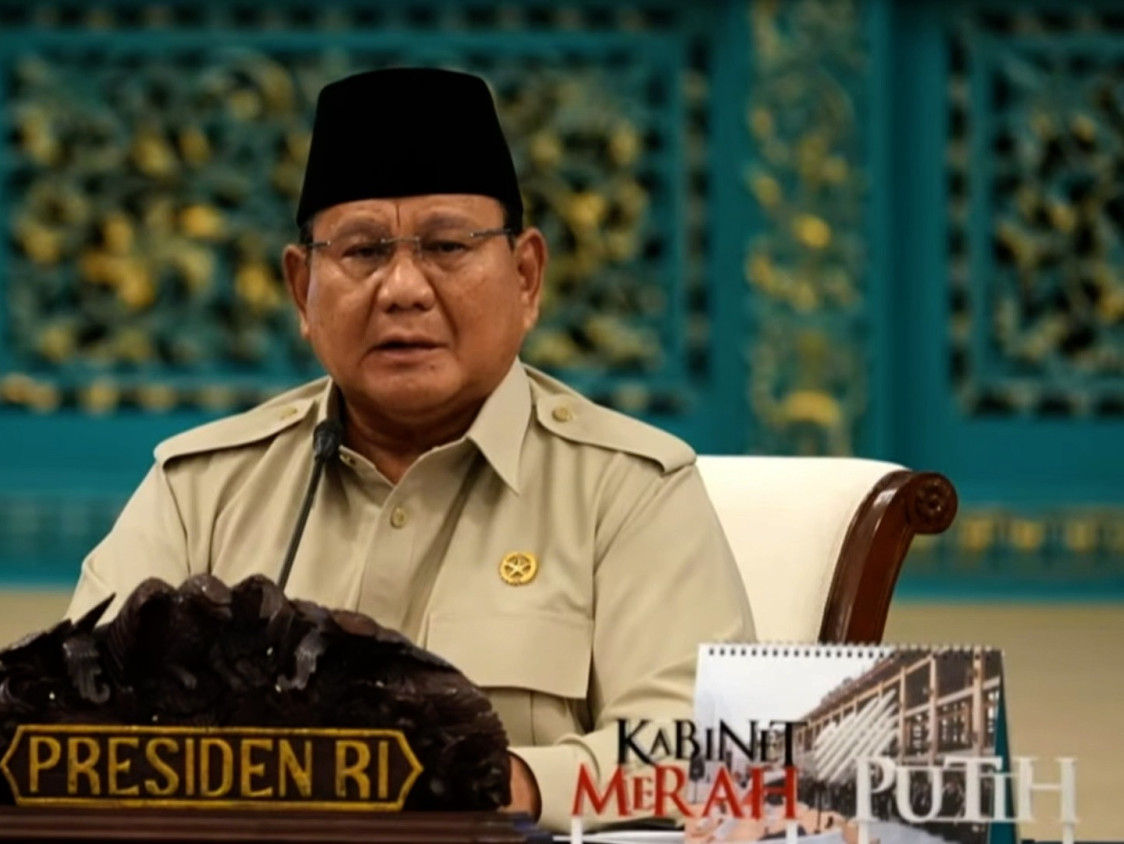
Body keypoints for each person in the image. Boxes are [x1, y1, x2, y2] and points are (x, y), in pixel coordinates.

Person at [64, 66, 756, 831]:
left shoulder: (627, 489)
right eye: (362, 252)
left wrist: (503, 781)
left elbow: (712, 762)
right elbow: (66, 726)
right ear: (301, 290)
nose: (402, 289)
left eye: (448, 246)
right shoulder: (201, 489)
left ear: (527, 277)